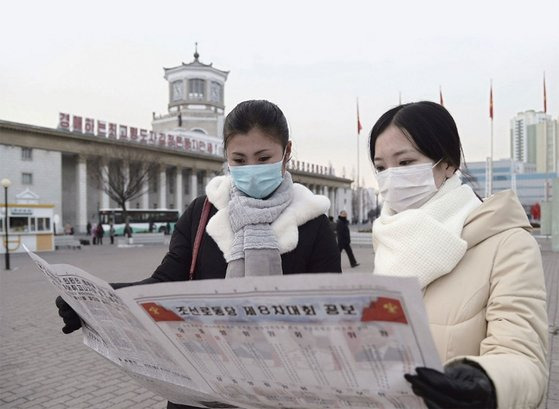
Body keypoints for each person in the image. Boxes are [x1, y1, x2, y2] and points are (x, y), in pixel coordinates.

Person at [55, 99, 341, 409]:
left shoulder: (313, 221)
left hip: (283, 390)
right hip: (200, 389)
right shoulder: (201, 212)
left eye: (263, 157)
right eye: (240, 160)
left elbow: (330, 311)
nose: (252, 170)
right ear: (226, 158)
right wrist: (94, 299)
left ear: (286, 152)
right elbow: (165, 282)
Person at [369, 101, 548, 409]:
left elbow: (524, 357)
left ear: (448, 163)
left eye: (406, 162)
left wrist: (484, 382)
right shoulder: (389, 239)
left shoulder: (507, 243)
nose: (391, 178)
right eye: (382, 168)